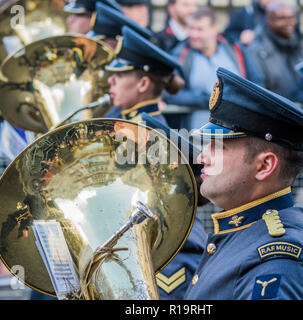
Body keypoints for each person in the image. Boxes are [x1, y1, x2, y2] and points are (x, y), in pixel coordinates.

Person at [183, 67, 303, 300]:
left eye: (218, 146)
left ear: (264, 166)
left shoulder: (279, 259)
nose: (202, 158)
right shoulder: (249, 231)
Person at [103, 25, 207, 300]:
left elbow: (163, 212)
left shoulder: (149, 136)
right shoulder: (131, 129)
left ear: (143, 84)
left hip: (166, 254)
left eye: (119, 76)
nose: (109, 82)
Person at [163, 6, 263, 130]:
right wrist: (209, 98)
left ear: (214, 29)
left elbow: (257, 82)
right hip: (198, 135)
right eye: (191, 28)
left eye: (199, 29)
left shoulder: (235, 50)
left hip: (238, 131)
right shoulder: (180, 55)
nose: (194, 34)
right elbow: (170, 93)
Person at [246, 1, 303, 100]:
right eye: (282, 18)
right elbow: (258, 91)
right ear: (269, 20)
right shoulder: (256, 50)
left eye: (292, 17)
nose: (290, 23)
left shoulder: (295, 43)